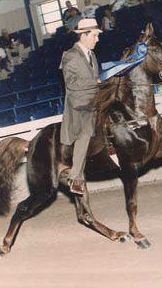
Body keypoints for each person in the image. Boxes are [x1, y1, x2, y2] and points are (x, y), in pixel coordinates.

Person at [60, 18, 102, 195]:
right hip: (79, 103)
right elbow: (72, 83)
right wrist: (95, 81)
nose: (97, 39)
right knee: (85, 132)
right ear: (83, 36)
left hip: (94, 98)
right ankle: (75, 177)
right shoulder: (70, 56)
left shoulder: (92, 55)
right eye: (94, 36)